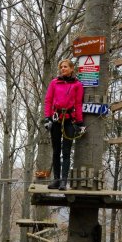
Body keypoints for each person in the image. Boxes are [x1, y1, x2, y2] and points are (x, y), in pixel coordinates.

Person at [44, 58, 85, 190]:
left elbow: (78, 104)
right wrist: (47, 118)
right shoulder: (54, 83)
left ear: (72, 69)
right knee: (56, 151)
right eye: (61, 67)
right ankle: (56, 180)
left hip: (69, 120)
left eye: (66, 67)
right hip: (56, 119)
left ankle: (63, 181)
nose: (63, 69)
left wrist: (80, 122)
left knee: (66, 151)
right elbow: (48, 101)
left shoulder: (77, 85)